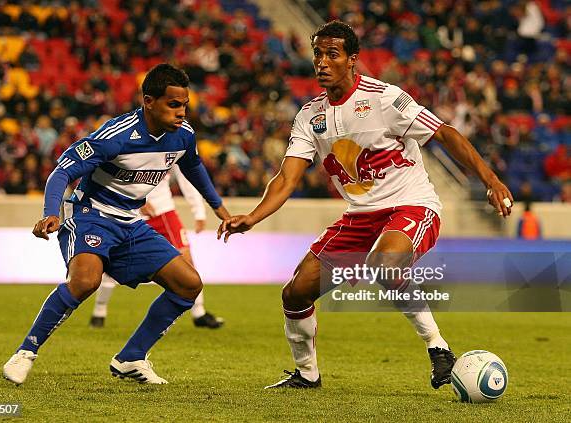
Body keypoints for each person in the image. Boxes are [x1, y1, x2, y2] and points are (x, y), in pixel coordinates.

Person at [218, 21, 514, 389]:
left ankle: (439, 349)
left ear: (352, 59)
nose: (322, 62)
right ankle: (307, 375)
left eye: (332, 54)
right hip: (359, 217)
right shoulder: (310, 116)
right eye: (318, 54)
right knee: (295, 292)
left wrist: (491, 180)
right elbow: (286, 178)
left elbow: (444, 133)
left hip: (411, 205)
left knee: (386, 264)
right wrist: (254, 217)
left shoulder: (384, 98)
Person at [3, 63, 230, 385]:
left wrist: (219, 208)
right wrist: (51, 212)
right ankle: (25, 352)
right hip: (91, 215)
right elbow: (62, 172)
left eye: (184, 105)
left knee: (189, 284)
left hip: (131, 222)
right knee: (85, 281)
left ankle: (131, 358)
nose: (182, 112)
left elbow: (194, 168)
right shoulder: (117, 136)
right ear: (148, 101)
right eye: (173, 104)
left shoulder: (184, 136)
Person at [89, 164, 224, 329]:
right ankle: (99, 311)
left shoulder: (177, 142)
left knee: (186, 260)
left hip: (163, 212)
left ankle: (199, 313)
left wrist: (199, 211)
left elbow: (188, 175)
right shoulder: (129, 142)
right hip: (128, 212)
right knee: (112, 263)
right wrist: (135, 200)